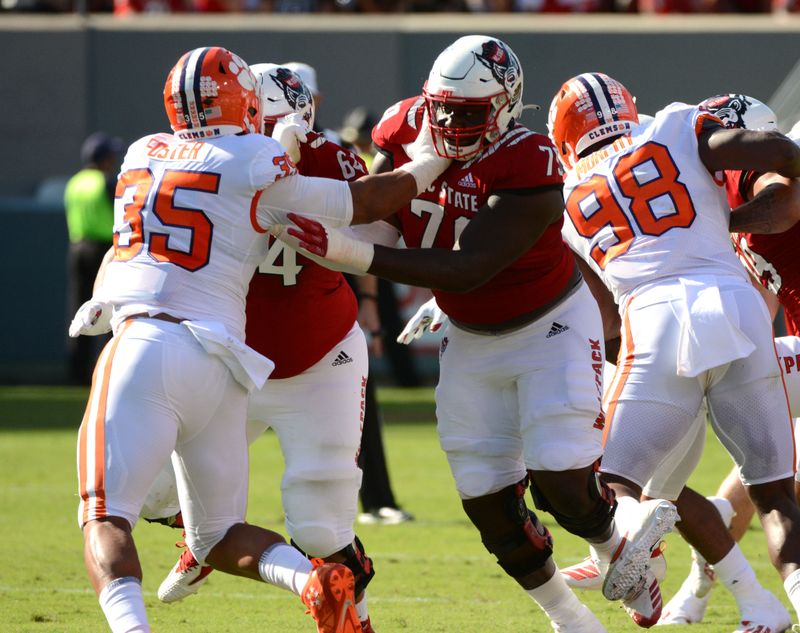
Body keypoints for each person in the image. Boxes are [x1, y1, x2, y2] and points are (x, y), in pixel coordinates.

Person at [282, 35, 672, 632]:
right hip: (468, 332)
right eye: (440, 105)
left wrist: (341, 252)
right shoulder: (403, 125)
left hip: (549, 326)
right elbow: (383, 216)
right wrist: (351, 225)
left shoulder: (531, 158)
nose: (447, 121)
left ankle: (616, 546)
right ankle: (571, 617)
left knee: (561, 482)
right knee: (487, 503)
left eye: (467, 112)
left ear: (507, 104)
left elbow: (469, 265)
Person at [69, 45, 451, 633]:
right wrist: (427, 160)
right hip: (226, 362)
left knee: (102, 512)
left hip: (158, 340)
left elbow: (146, 232)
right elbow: (355, 199)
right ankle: (309, 579)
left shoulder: (142, 152)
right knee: (213, 528)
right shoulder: (259, 156)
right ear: (246, 104)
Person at [547, 72, 800, 631]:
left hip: (653, 317)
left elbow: (604, 316)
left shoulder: (564, 200)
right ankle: (784, 605)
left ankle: (639, 531)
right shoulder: (676, 123)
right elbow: (780, 153)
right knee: (777, 495)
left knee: (609, 483)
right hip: (738, 307)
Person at [654, 93, 800, 625]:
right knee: (761, 475)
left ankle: (672, 522)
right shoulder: (719, 197)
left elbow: (782, 205)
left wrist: (716, 222)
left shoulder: (757, 182)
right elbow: (753, 310)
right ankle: (702, 580)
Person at [64, 131, 123, 384]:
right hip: (103, 252)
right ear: (104, 158)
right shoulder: (105, 182)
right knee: (111, 310)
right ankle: (109, 370)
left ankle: (76, 375)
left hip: (77, 248)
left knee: (80, 308)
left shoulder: (74, 183)